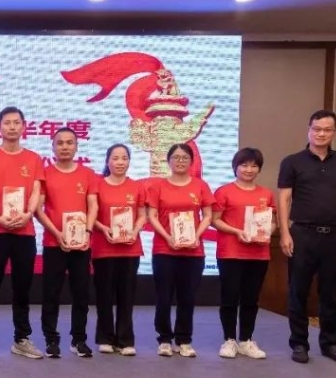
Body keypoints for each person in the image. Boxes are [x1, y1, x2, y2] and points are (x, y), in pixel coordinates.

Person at [278, 109, 336, 364]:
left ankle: (330, 344)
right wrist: (284, 232)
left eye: (327, 129)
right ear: (309, 130)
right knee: (298, 291)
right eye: (316, 129)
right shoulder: (292, 162)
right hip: (302, 234)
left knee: (330, 293)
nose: (321, 134)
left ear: (334, 132)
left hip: (335, 236)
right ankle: (299, 344)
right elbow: (284, 198)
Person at [0, 106, 45, 360]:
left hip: (24, 232)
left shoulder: (34, 159)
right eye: (7, 123)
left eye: (17, 122)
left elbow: (36, 191)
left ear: (24, 126)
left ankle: (22, 339)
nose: (12, 127)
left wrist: (27, 214)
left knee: (22, 288)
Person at [35, 127, 99, 358]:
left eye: (69, 143)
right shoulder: (45, 174)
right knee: (51, 293)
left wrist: (88, 232)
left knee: (81, 293)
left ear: (76, 146)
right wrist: (56, 233)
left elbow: (93, 206)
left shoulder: (88, 174)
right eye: (60, 143)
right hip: (54, 243)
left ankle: (78, 339)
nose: (65, 147)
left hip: (81, 244)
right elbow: (38, 209)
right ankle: (51, 339)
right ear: (53, 147)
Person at [147, 143, 214, 358]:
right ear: (168, 161)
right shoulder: (158, 186)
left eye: (185, 157)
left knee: (188, 297)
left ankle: (184, 339)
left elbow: (208, 216)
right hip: (164, 250)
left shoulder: (200, 186)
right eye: (176, 157)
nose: (180, 161)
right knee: (164, 297)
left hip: (193, 251)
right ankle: (164, 339)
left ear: (191, 161)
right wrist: (167, 237)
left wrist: (196, 235)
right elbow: (152, 216)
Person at [211, 148, 273, 359]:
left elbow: (273, 222)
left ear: (259, 169)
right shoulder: (224, 191)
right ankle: (229, 340)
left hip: (259, 254)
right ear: (235, 167)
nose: (249, 169)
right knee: (229, 297)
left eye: (254, 165)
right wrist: (237, 231)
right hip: (231, 253)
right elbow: (215, 220)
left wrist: (266, 231)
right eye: (244, 165)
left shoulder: (266, 194)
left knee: (251, 299)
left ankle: (246, 340)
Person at [90, 143, 147, 357]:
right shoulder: (98, 185)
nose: (120, 162)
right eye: (115, 158)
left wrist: (135, 230)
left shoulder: (137, 186)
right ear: (107, 161)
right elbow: (90, 214)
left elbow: (142, 215)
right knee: (104, 295)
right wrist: (104, 228)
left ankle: (125, 340)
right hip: (104, 248)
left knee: (127, 296)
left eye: (124, 158)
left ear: (129, 161)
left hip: (130, 249)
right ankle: (105, 338)